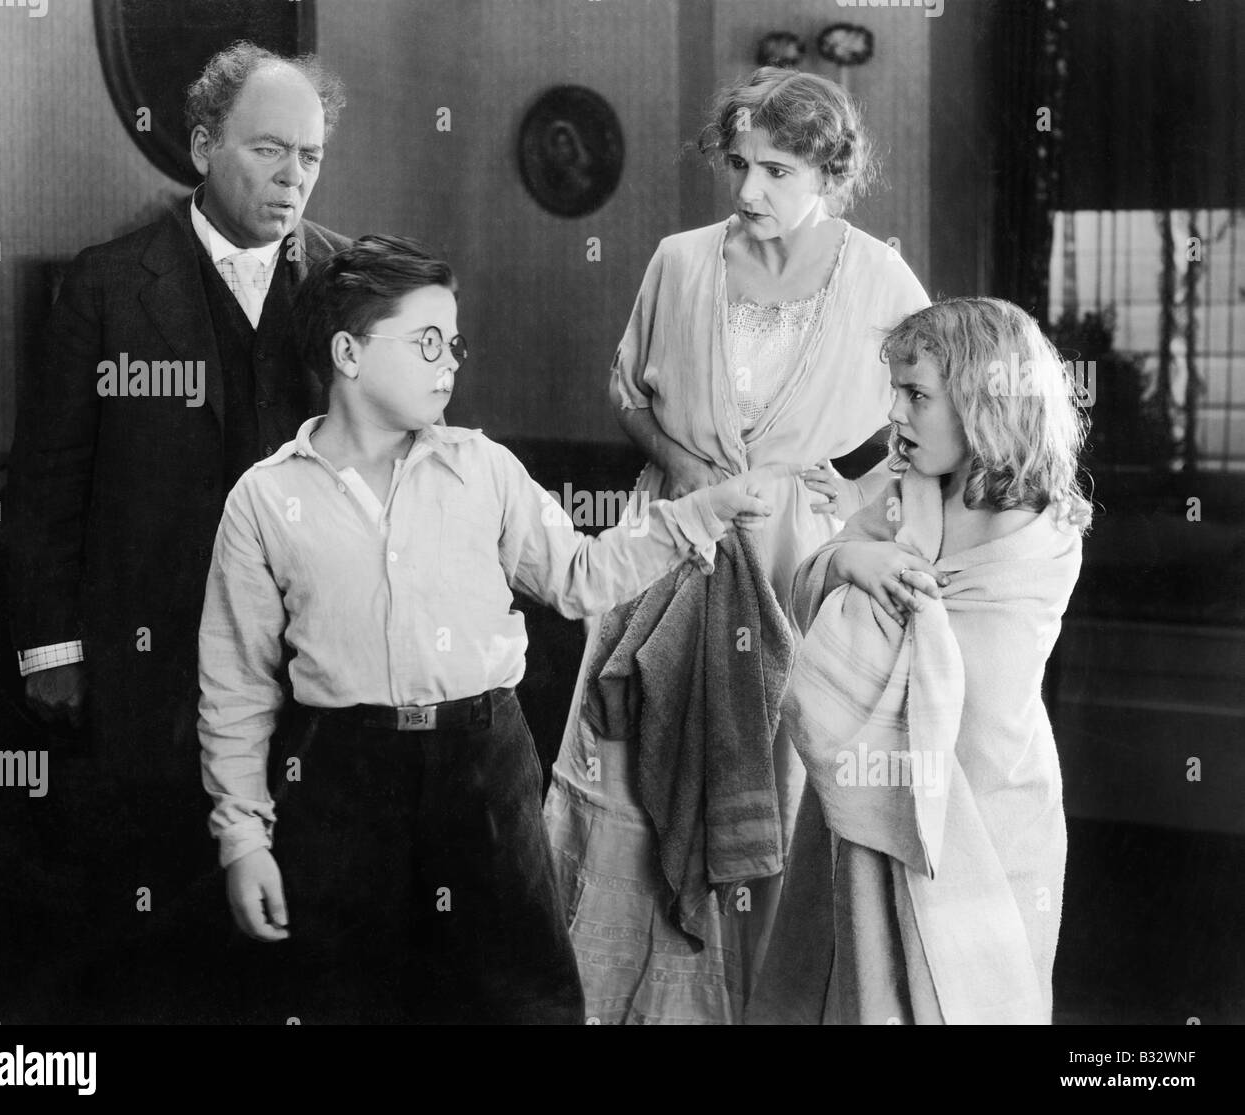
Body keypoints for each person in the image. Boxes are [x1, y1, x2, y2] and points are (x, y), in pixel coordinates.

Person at [197, 235, 796, 1024]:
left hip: (484, 764)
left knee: (524, 1004)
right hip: (339, 775)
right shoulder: (264, 500)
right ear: (347, 352)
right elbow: (235, 684)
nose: (451, 360)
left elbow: (581, 576)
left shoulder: (483, 469)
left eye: (456, 342)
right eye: (427, 342)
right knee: (346, 999)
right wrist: (243, 840)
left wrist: (701, 515)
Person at [543, 67, 929, 1023]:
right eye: (742, 164)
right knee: (630, 778)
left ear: (831, 175)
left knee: (775, 807)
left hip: (797, 566)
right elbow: (627, 389)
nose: (750, 190)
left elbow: (943, 399)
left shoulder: (879, 277)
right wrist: (682, 466)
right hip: (667, 544)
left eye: (780, 171)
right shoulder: (680, 259)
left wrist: (864, 489)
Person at [4, 41, 349, 1020]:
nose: (293, 179)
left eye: (311, 156)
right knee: (150, 931)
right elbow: (48, 484)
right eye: (267, 151)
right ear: (202, 146)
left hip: (306, 666)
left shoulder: (348, 283)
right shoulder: (109, 285)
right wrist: (53, 651)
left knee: (290, 923)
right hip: (148, 659)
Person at [750, 298, 1090, 1024]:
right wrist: (855, 557)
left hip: (994, 808)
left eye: (916, 394)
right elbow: (809, 581)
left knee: (976, 995)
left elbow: (982, 682)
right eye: (894, 392)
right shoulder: (905, 500)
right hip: (875, 803)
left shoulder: (1042, 537)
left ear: (983, 401)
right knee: (866, 991)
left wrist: (907, 605)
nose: (896, 415)